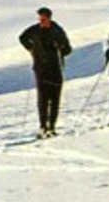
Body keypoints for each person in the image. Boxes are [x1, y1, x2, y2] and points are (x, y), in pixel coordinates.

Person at [19, 7, 72, 137]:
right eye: (39, 19)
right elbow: (22, 38)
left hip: (55, 68)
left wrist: (60, 47)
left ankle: (52, 127)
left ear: (49, 18)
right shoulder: (34, 30)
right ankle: (43, 126)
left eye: (43, 19)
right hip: (40, 69)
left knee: (54, 99)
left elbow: (68, 49)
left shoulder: (57, 31)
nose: (41, 22)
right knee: (42, 99)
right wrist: (31, 49)